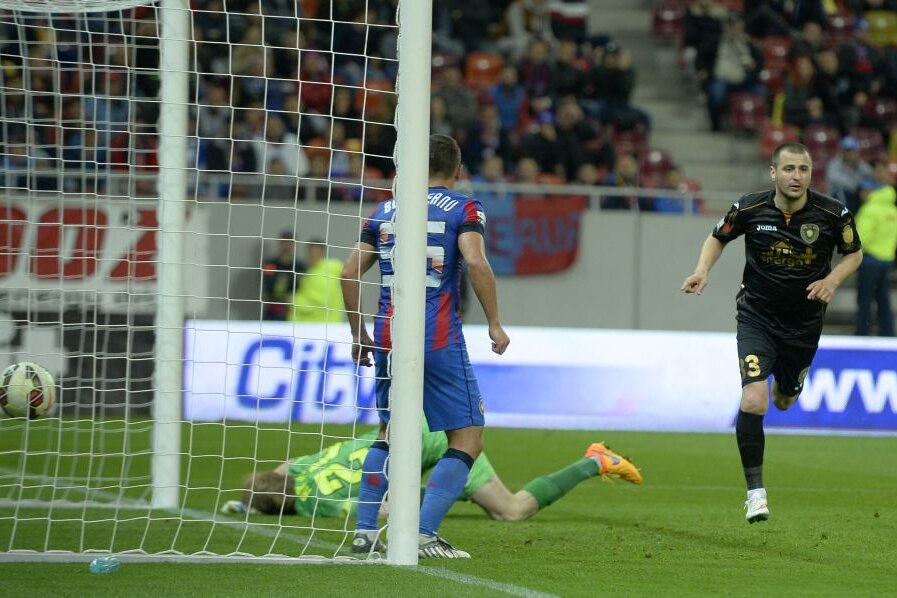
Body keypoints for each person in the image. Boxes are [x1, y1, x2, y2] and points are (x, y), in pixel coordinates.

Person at [340, 134, 510, 559]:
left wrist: (358, 334)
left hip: (388, 334)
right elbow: (475, 261)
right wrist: (494, 322)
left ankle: (364, 533)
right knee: (467, 437)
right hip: (437, 335)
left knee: (389, 431)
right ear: (458, 170)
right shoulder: (464, 207)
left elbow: (347, 273)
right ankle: (422, 532)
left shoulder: (385, 210)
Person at [680, 142, 863, 524]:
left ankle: (789, 382)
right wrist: (702, 270)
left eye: (803, 169)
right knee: (754, 399)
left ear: (811, 173)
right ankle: (755, 494)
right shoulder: (750, 208)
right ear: (773, 172)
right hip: (756, 318)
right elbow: (718, 236)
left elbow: (854, 253)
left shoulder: (833, 213)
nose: (797, 176)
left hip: (803, 325)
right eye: (789, 168)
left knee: (783, 400)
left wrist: (832, 280)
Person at [221, 425, 642, 532]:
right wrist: (251, 496)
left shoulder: (315, 503)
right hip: (409, 421)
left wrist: (255, 505)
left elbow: (385, 509)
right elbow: (282, 468)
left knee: (512, 510)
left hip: (436, 444)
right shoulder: (301, 466)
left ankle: (595, 461)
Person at [854, 159, 897, 336]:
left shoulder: (870, 209)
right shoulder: (892, 210)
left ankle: (861, 334)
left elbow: (861, 238)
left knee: (864, 300)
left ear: (871, 191)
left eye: (865, 190)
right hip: (886, 260)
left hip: (870, 260)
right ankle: (888, 334)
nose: (862, 193)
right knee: (883, 299)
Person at [288, 239, 345, 323]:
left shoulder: (325, 274)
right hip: (316, 324)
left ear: (322, 253)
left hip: (318, 325)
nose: (311, 255)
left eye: (315, 252)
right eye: (309, 252)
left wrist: (293, 300)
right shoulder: (313, 271)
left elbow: (318, 302)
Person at [261, 233, 306, 321]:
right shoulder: (270, 264)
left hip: (295, 311)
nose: (287, 247)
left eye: (290, 243)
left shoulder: (300, 266)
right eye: (284, 243)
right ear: (280, 244)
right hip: (273, 311)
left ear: (294, 245)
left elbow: (303, 288)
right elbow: (269, 285)